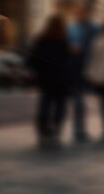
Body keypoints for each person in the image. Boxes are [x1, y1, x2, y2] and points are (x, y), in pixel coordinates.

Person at [28, 15, 72, 148]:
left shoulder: (41, 39)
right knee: (60, 105)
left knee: (45, 103)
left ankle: (43, 130)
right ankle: (56, 130)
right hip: (61, 79)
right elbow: (67, 62)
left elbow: (33, 59)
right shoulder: (63, 41)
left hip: (45, 79)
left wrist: (39, 72)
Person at [68, 7, 100, 142]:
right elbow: (72, 47)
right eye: (82, 13)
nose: (84, 16)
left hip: (88, 67)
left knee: (80, 100)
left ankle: (80, 129)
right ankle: (79, 129)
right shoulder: (74, 29)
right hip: (76, 69)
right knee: (78, 101)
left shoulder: (94, 28)